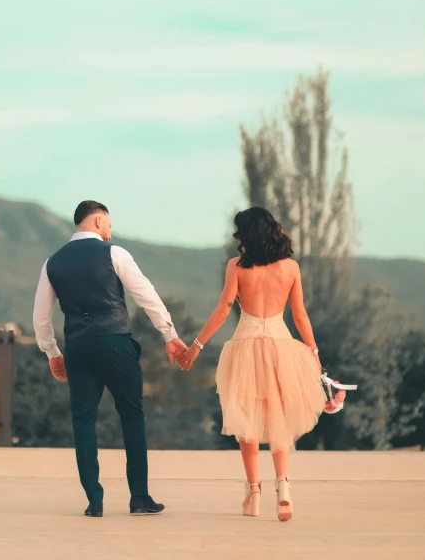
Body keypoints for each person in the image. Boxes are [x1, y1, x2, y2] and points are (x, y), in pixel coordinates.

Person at [33, 200, 186, 517]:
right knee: (132, 415)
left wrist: (52, 353)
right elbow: (146, 295)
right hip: (115, 343)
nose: (110, 231)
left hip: (77, 348)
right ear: (99, 221)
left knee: (83, 421)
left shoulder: (52, 263)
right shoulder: (115, 253)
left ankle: (94, 501)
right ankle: (139, 497)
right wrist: (169, 335)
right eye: (109, 225)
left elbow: (41, 318)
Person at [178, 207, 325, 521]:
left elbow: (223, 310)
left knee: (245, 415)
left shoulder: (236, 266)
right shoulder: (291, 268)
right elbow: (300, 316)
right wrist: (313, 353)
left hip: (245, 346)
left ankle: (253, 490)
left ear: (245, 234)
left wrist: (196, 346)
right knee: (278, 416)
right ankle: (283, 486)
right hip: (282, 346)